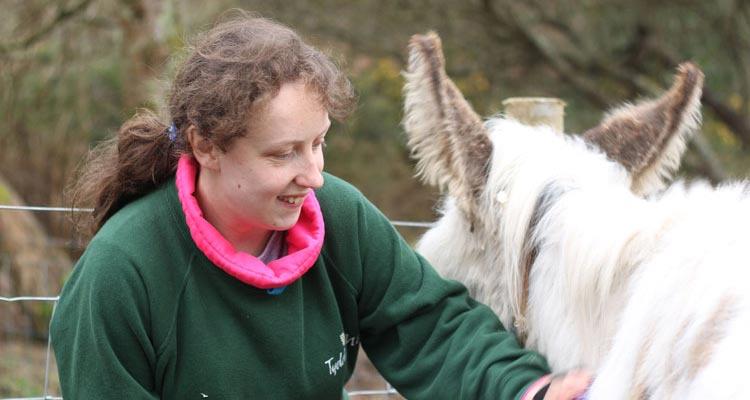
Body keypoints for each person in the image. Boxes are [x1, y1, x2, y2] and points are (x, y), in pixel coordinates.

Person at [50, 11, 590, 400]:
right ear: (205, 145)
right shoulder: (121, 274)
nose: (314, 176)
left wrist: (526, 389)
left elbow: (430, 326)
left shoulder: (338, 219)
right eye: (283, 153)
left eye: (319, 142)